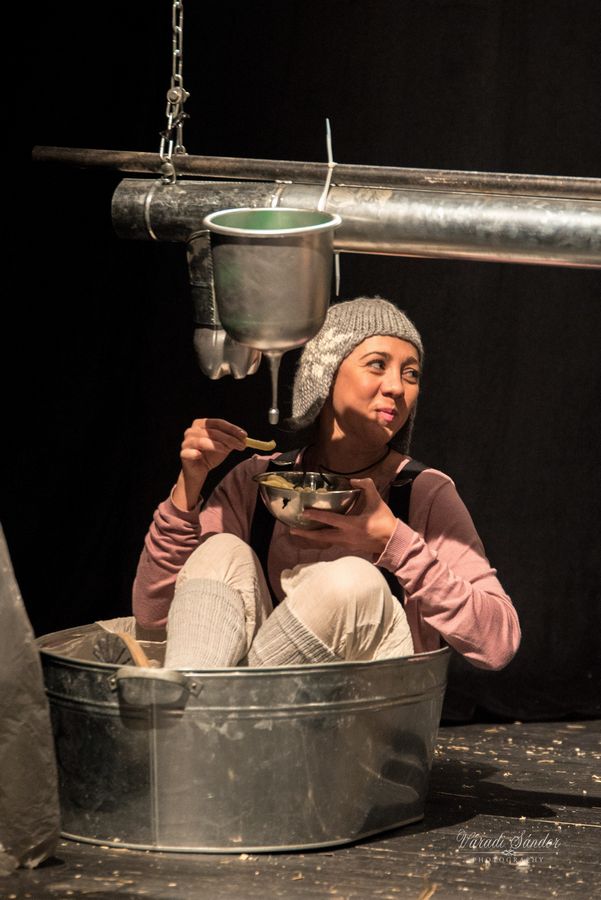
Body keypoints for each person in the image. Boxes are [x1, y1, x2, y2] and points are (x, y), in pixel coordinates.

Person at [130, 297, 520, 670]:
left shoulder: (423, 492)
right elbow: (153, 617)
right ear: (326, 373)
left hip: (371, 708)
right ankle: (210, 706)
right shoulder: (256, 480)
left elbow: (498, 644)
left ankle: (218, 701)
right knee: (220, 551)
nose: (397, 388)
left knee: (352, 581)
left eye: (411, 373)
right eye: (377, 364)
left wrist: (395, 544)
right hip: (252, 711)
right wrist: (189, 484)